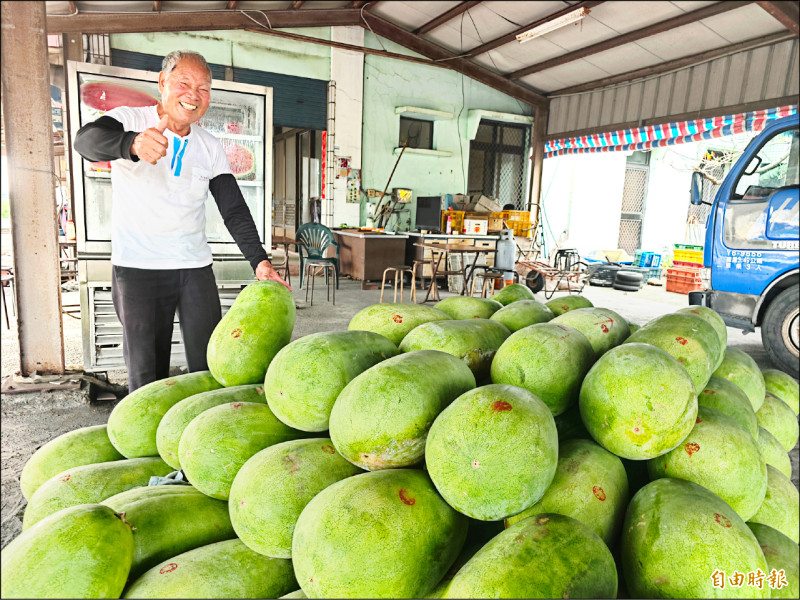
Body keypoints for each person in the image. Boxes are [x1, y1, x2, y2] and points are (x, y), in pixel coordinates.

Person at [74, 50, 289, 392]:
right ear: (163, 82)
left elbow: (233, 209)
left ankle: (203, 422)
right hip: (139, 267)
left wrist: (260, 261)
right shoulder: (130, 119)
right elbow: (85, 141)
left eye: (203, 88)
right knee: (147, 373)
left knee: (211, 364)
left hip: (194, 268)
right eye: (184, 83)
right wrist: (132, 144)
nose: (193, 95)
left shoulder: (209, 146)